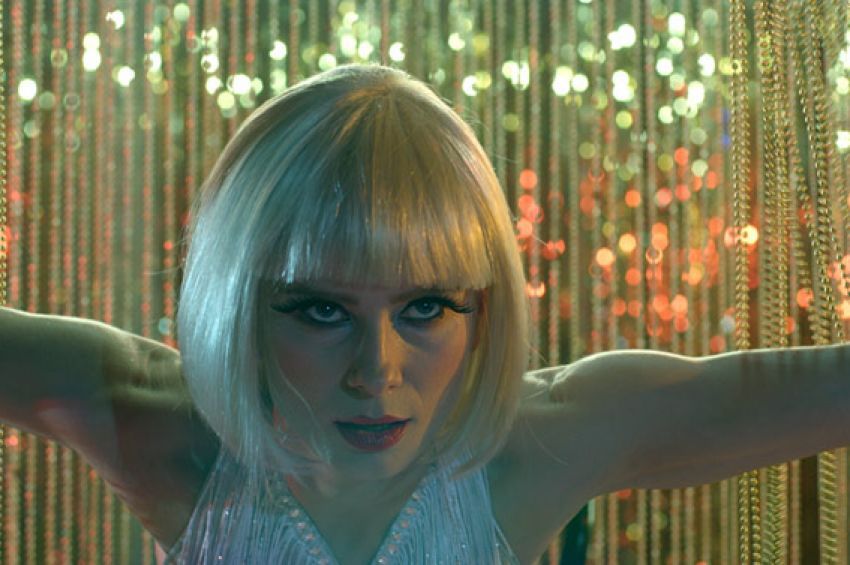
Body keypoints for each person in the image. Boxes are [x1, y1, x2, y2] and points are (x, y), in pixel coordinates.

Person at [1, 63, 848, 565]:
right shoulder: (160, 427)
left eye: (426, 307)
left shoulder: (536, 447)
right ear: (239, 305)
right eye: (322, 310)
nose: (377, 371)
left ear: (482, 309)